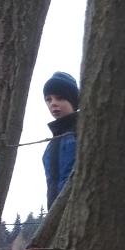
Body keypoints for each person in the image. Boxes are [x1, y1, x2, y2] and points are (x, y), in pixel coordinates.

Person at [41, 71, 80, 208]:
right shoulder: (51, 144)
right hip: (56, 213)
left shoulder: (83, 132)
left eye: (60, 98)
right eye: (48, 99)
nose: (53, 103)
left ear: (73, 100)